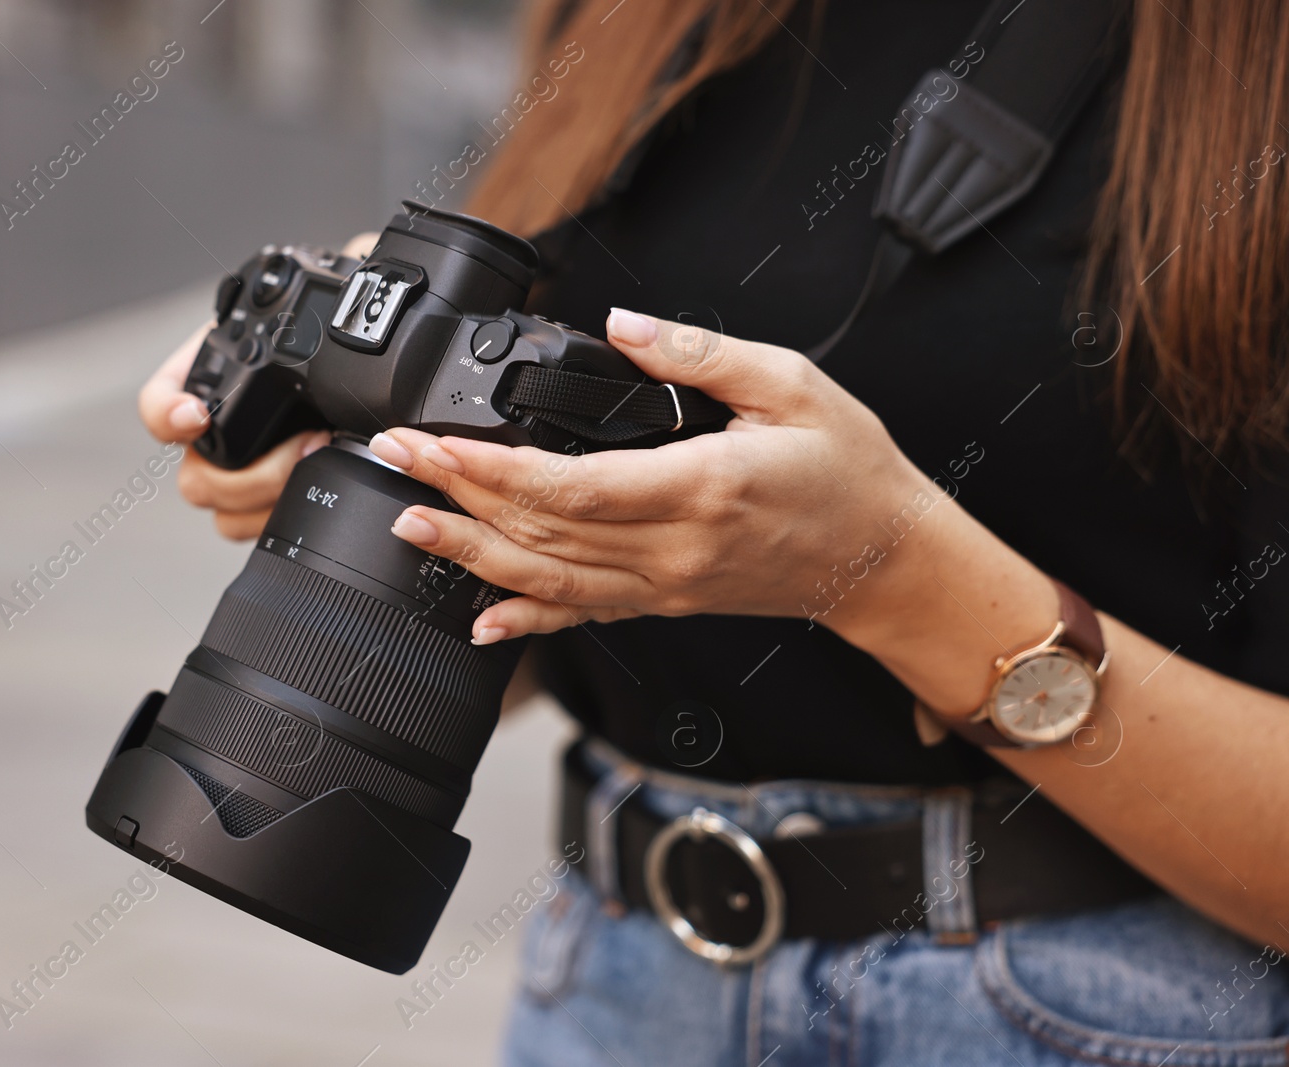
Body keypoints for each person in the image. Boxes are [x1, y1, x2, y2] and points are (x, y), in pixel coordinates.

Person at [141, 0, 1289, 1063]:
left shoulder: (1241, 73)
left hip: (1090, 1008)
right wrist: (398, 461)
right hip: (619, 973)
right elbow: (594, 646)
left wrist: (885, 568)